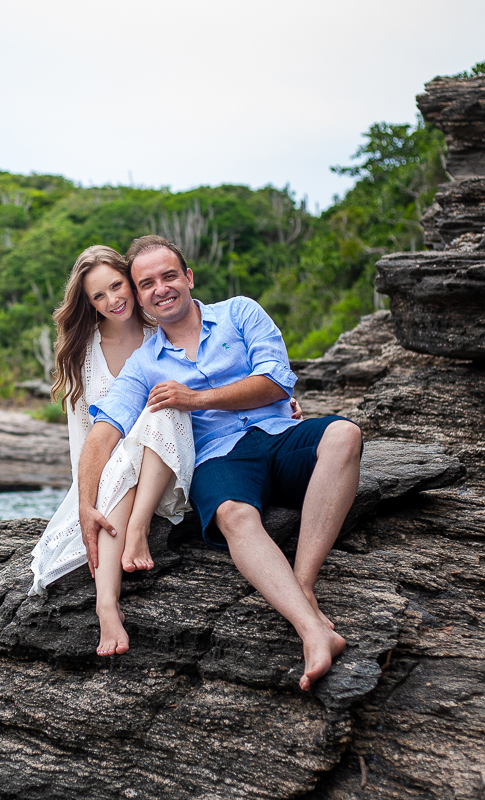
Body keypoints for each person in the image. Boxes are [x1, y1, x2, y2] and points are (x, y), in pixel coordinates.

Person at [78, 235, 362, 691]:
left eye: (169, 276)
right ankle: (312, 632)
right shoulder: (144, 363)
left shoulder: (240, 312)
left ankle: (304, 584)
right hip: (219, 458)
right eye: (146, 283)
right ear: (139, 296)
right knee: (232, 513)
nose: (161, 288)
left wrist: (196, 398)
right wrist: (85, 505)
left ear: (188, 277)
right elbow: (103, 431)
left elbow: (275, 380)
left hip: (280, 435)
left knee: (345, 434)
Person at [28, 245, 197, 658]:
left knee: (161, 411)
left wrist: (281, 405)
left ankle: (135, 536)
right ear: (88, 304)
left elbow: (207, 384)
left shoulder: (165, 333)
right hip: (112, 478)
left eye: (117, 286)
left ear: (132, 281)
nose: (112, 300)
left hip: (165, 470)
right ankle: (107, 605)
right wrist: (85, 500)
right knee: (122, 459)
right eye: (98, 296)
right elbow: (84, 439)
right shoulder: (82, 353)